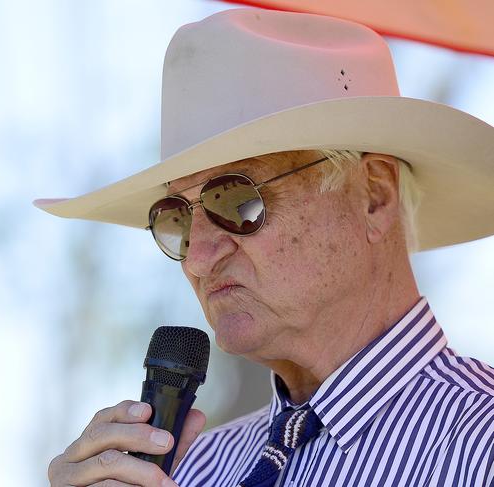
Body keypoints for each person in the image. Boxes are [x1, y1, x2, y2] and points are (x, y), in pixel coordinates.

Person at [39, 7, 494, 487]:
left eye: (236, 200)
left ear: (375, 195)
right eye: (177, 218)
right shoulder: (189, 470)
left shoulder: (480, 442)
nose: (197, 259)